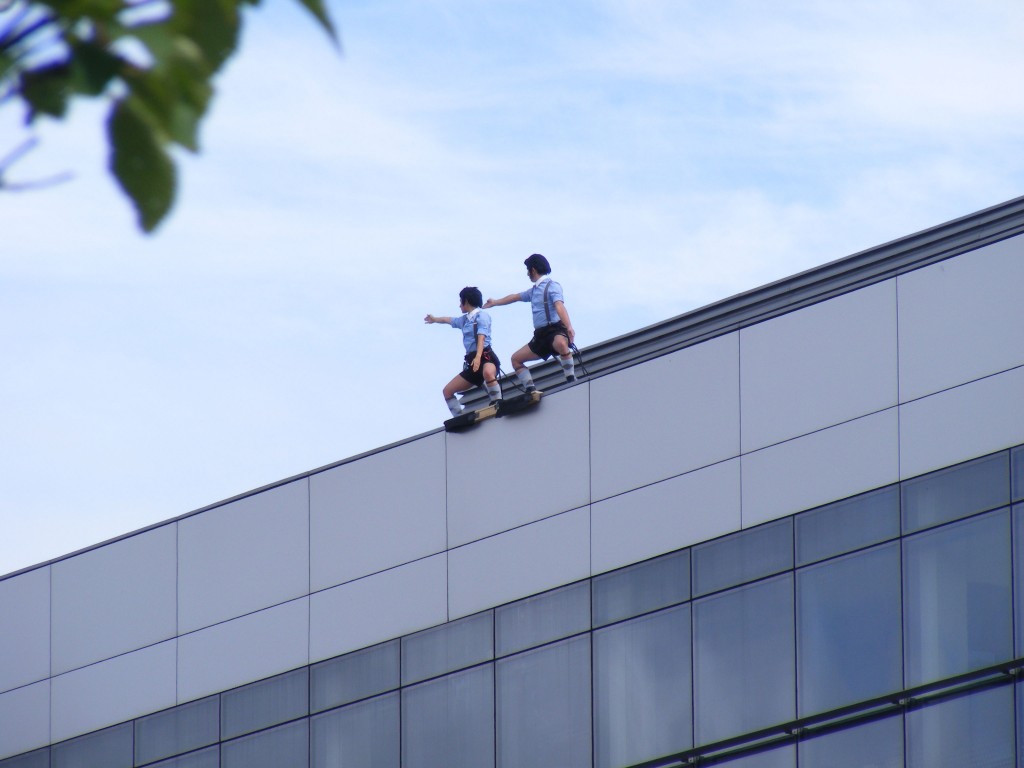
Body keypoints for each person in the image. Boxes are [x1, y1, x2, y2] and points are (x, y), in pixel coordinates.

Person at [484, 253, 576, 392]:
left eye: (528, 270)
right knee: (516, 359)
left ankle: (570, 377)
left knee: (561, 343)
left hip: (554, 330)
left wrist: (569, 327)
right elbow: (515, 297)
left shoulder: (552, 286)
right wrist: (495, 302)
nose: (527, 274)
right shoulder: (533, 291)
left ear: (533, 270)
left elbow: (559, 306)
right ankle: (530, 388)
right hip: (540, 335)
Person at [424, 286, 503, 417]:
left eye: (461, 302)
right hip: (472, 362)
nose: (459, 305)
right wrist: (434, 319)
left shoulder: (482, 316)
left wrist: (478, 358)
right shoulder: (464, 320)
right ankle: (460, 417)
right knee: (447, 391)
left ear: (466, 301)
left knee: (488, 372)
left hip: (485, 357)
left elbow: (481, 337)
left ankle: (498, 402)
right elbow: (448, 320)